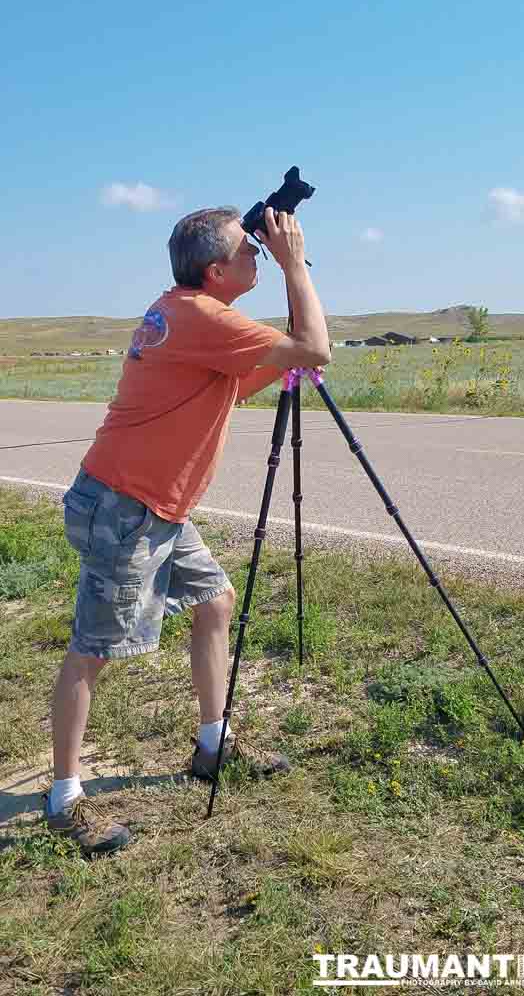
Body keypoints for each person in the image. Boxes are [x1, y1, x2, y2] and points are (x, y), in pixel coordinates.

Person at [43, 205, 331, 855]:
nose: (257, 254)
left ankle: (212, 745)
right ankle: (64, 799)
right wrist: (293, 266)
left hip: (151, 506)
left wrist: (287, 352)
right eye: (247, 251)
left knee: (214, 601)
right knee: (92, 651)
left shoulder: (186, 312)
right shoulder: (198, 315)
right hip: (125, 509)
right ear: (214, 269)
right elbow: (315, 348)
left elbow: (234, 385)